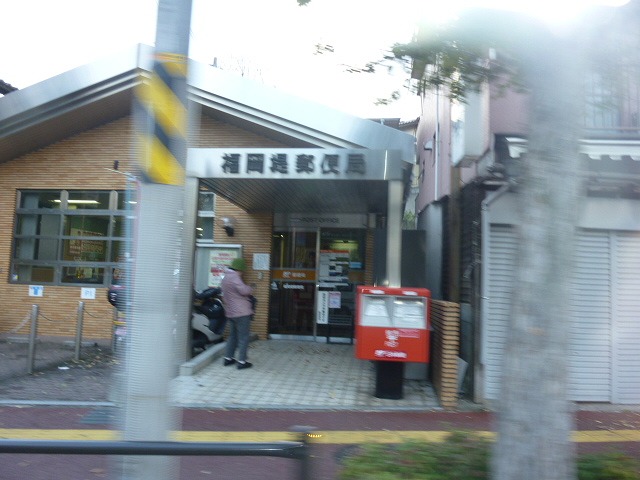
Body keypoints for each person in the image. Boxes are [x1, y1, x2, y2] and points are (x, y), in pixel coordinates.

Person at [220, 257, 255, 370]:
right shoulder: (234, 277)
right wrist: (251, 288)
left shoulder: (225, 277)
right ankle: (242, 361)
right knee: (244, 337)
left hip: (231, 312)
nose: (243, 272)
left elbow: (224, 295)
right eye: (242, 270)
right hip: (241, 312)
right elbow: (244, 291)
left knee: (232, 336)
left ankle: (228, 358)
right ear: (239, 269)